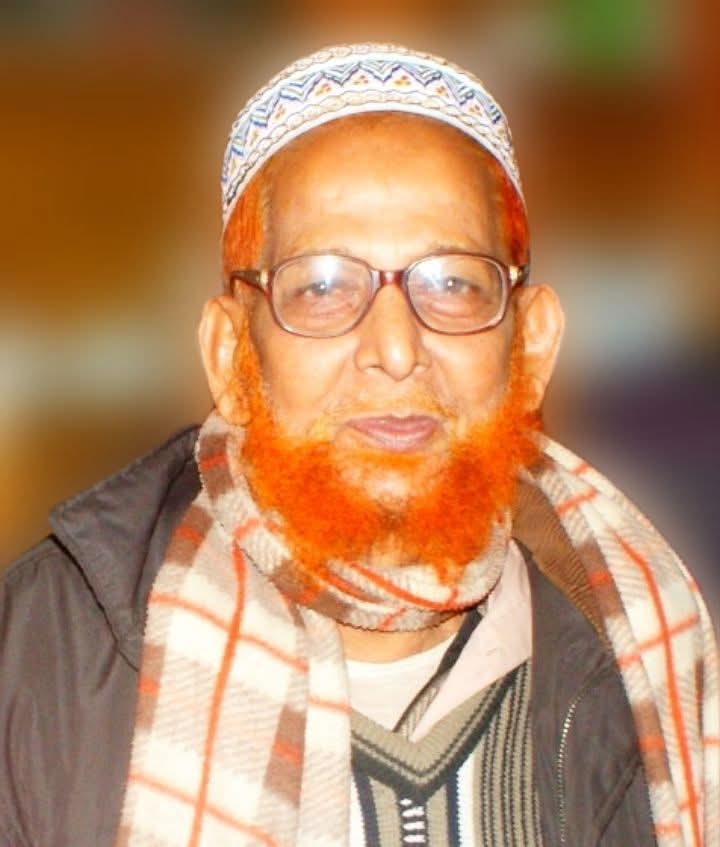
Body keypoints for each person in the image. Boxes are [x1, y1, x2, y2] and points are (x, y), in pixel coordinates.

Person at [0, 43, 717, 847]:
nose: (396, 349)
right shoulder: (36, 666)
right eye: (322, 287)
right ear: (232, 357)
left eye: (452, 283)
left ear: (533, 348)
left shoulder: (648, 658)